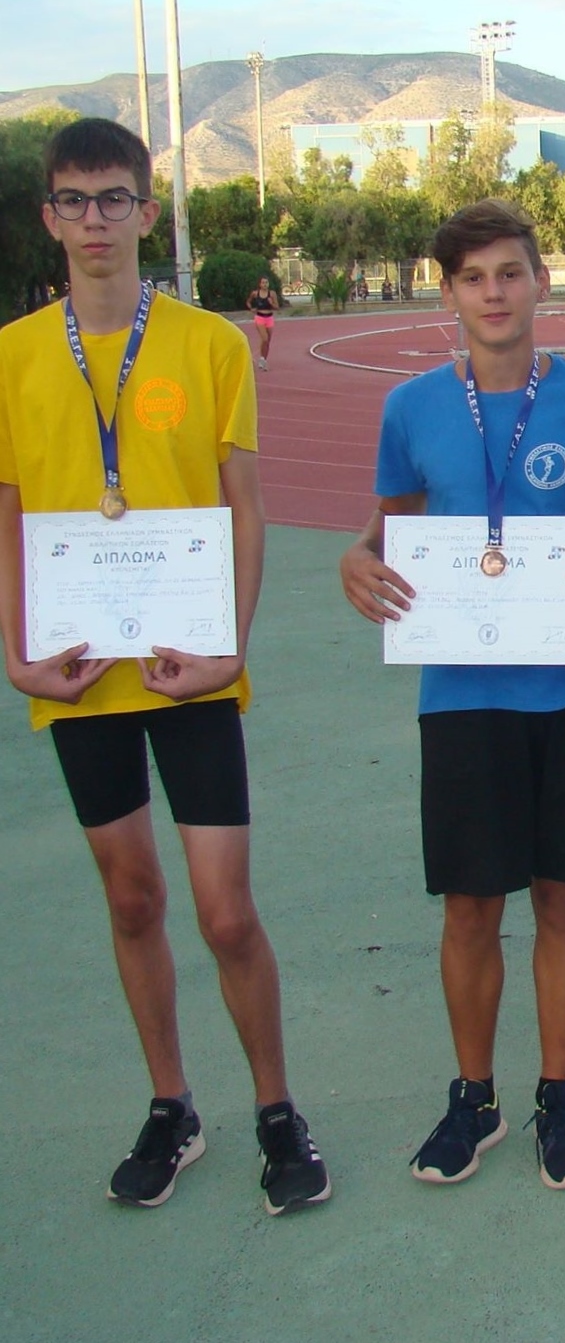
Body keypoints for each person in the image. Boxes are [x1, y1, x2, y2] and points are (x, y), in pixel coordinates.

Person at [0, 118, 330, 1215]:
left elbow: (245, 507)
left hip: (192, 669)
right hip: (80, 675)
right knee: (133, 898)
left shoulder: (209, 345)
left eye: (114, 198)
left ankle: (277, 1109)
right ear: (49, 217)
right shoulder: (12, 355)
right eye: (73, 200)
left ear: (146, 211)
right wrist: (18, 657)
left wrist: (231, 646)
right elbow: (10, 516)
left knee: (225, 912)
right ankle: (172, 1106)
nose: (94, 219)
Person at [339, 199, 565, 1191]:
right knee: (470, 908)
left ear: (541, 281)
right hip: (461, 693)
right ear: (448, 294)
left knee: (561, 899)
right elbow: (388, 528)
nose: (494, 293)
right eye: (473, 278)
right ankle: (475, 1098)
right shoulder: (412, 408)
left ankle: (559, 1096)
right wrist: (356, 558)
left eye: (510, 272)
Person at [246, 276, 279, 370]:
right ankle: (262, 359)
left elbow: (277, 307)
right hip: (260, 317)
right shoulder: (255, 293)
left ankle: (263, 359)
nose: (265, 284)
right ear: (260, 284)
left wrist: (271, 303)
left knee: (267, 341)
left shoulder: (272, 294)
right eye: (263, 283)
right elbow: (248, 302)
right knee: (264, 338)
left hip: (269, 318)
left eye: (266, 282)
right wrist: (251, 308)